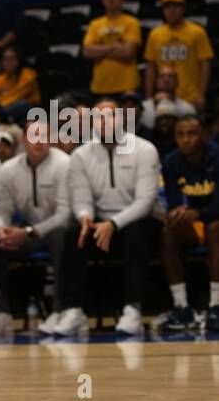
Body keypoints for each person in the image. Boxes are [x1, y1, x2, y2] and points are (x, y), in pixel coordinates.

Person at [60, 99, 159, 337]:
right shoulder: (81, 156)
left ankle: (132, 309)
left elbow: (145, 202)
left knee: (137, 231)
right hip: (102, 224)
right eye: (98, 117)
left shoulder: (145, 149)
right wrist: (85, 217)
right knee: (75, 233)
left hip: (138, 222)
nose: (104, 122)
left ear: (122, 119)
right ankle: (73, 311)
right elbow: (81, 198)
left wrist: (114, 224)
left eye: (110, 115)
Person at [0, 120, 71, 336]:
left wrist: (28, 232)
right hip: (29, 232)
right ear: (23, 140)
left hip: (57, 230)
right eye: (33, 136)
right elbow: (1, 211)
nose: (39, 141)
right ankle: (0, 312)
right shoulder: (9, 169)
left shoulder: (64, 164)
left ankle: (60, 310)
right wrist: (2, 229)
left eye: (44, 136)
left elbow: (65, 216)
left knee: (61, 236)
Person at [158, 115, 219, 334]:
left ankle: (216, 305)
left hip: (213, 222)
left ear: (202, 135)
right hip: (196, 224)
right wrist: (178, 214)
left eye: (192, 134)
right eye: (180, 135)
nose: (186, 140)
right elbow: (174, 203)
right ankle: (181, 306)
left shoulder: (216, 157)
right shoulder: (171, 162)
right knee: (169, 230)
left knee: (215, 228)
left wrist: (196, 213)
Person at [144, 0, 213, 112]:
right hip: (163, 96)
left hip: (191, 95)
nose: (172, 10)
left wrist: (201, 94)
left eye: (176, 6)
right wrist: (149, 95)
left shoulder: (197, 32)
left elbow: (205, 65)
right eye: (167, 7)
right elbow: (151, 67)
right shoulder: (155, 34)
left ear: (183, 9)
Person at [81, 0, 142, 98]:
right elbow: (87, 52)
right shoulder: (95, 24)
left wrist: (100, 50)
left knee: (127, 117)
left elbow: (128, 53)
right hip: (101, 87)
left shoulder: (131, 22)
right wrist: (114, 46)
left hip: (127, 86)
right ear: (103, 0)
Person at [0, 44, 40, 124]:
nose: (8, 62)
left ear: (19, 60)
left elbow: (18, 95)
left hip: (29, 110)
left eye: (12, 58)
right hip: (6, 112)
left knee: (23, 104)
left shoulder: (28, 74)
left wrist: (1, 107)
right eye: (5, 59)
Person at [141, 66, 195, 130]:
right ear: (155, 81)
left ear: (177, 82)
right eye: (162, 76)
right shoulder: (142, 106)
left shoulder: (187, 108)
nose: (166, 79)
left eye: (171, 76)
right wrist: (130, 101)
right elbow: (131, 130)